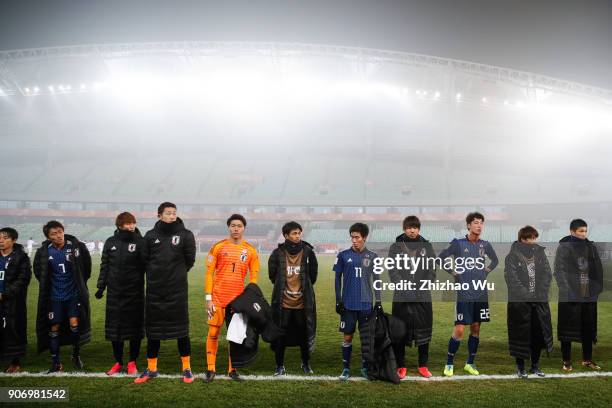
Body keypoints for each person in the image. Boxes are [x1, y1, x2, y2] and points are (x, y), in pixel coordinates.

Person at [135, 202, 196, 384]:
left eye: (174, 213)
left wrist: (174, 275)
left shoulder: (185, 235)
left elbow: (189, 260)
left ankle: (187, 368)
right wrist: (157, 274)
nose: (172, 216)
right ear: (159, 215)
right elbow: (144, 259)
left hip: (177, 290)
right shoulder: (150, 236)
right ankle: (151, 368)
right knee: (153, 331)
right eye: (168, 213)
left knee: (181, 330)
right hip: (155, 290)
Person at [438, 212, 498, 376]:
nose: (479, 225)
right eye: (476, 222)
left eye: (481, 223)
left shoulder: (485, 245)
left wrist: (486, 271)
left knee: (476, 328)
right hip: (463, 292)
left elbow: (495, 260)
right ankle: (449, 363)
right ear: (468, 225)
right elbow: (441, 257)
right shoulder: (458, 243)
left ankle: (470, 363)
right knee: (459, 330)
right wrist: (452, 271)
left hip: (480, 292)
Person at [204, 214, 259, 383]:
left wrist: (250, 296)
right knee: (213, 332)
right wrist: (208, 298)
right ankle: (210, 369)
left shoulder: (250, 250)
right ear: (229, 227)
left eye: (239, 226)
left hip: (237, 302)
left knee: (235, 336)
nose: (236, 228)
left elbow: (254, 276)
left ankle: (232, 369)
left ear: (244, 228)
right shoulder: (218, 247)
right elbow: (209, 273)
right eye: (233, 225)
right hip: (218, 299)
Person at [33, 220, 92, 373]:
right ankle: (56, 362)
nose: (58, 236)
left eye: (60, 232)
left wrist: (79, 283)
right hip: (54, 297)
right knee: (54, 327)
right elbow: (39, 272)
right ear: (48, 237)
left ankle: (76, 355)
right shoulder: (44, 252)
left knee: (74, 325)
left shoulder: (76, 247)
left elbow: (87, 268)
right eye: (54, 234)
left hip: (73, 295)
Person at [96, 212, 146, 376]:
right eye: (128, 223)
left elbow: (147, 266)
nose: (131, 226)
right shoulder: (111, 242)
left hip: (135, 292)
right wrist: (101, 287)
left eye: (133, 223)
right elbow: (105, 265)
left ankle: (132, 362)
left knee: (134, 329)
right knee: (115, 330)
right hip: (114, 294)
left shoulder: (140, 241)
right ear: (119, 225)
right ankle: (118, 362)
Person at [387, 216, 436, 378]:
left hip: (422, 296)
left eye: (415, 227)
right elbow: (392, 271)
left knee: (424, 330)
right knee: (400, 331)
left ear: (419, 229)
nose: (412, 230)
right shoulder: (396, 247)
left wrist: (422, 287)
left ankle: (423, 365)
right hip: (402, 296)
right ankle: (401, 365)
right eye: (409, 227)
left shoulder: (427, 246)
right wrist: (404, 288)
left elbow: (431, 270)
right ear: (404, 229)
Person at [268, 221, 318, 376]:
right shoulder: (277, 253)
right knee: (280, 336)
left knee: (304, 334)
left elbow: (313, 275)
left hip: (303, 303)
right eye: (294, 233)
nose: (297, 236)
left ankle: (306, 363)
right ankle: (279, 366)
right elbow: (272, 275)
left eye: (299, 233)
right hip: (283, 303)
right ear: (285, 236)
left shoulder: (308, 252)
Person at [554, 219, 603, 372]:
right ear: (572, 231)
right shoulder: (564, 247)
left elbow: (597, 269)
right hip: (570, 295)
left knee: (588, 328)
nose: (584, 234)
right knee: (567, 329)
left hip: (588, 295)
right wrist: (567, 290)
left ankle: (587, 360)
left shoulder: (591, 247)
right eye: (581, 231)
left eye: (585, 231)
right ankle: (566, 361)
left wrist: (597, 289)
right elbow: (559, 270)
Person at [334, 222, 382, 381]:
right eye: (352, 237)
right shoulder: (342, 255)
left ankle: (364, 368)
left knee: (365, 338)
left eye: (357, 237)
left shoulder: (373, 257)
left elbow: (377, 280)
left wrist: (379, 301)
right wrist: (338, 300)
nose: (354, 240)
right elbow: (337, 279)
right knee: (347, 337)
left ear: (364, 238)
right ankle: (345, 369)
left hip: (366, 304)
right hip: (348, 304)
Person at [504, 226, 553, 378]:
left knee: (538, 334)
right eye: (529, 238)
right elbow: (512, 280)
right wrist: (527, 296)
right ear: (521, 239)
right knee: (521, 335)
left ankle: (535, 366)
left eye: (534, 238)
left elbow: (547, 275)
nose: (532, 241)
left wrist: (538, 294)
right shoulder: (512, 256)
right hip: (520, 304)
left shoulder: (540, 254)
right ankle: (520, 368)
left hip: (539, 302)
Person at [0, 227, 32, 373]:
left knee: (12, 329)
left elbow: (23, 279)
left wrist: (5, 294)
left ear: (14, 240)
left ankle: (14, 361)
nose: (1, 240)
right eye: (0, 237)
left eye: (5, 238)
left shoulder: (21, 257)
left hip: (12, 302)